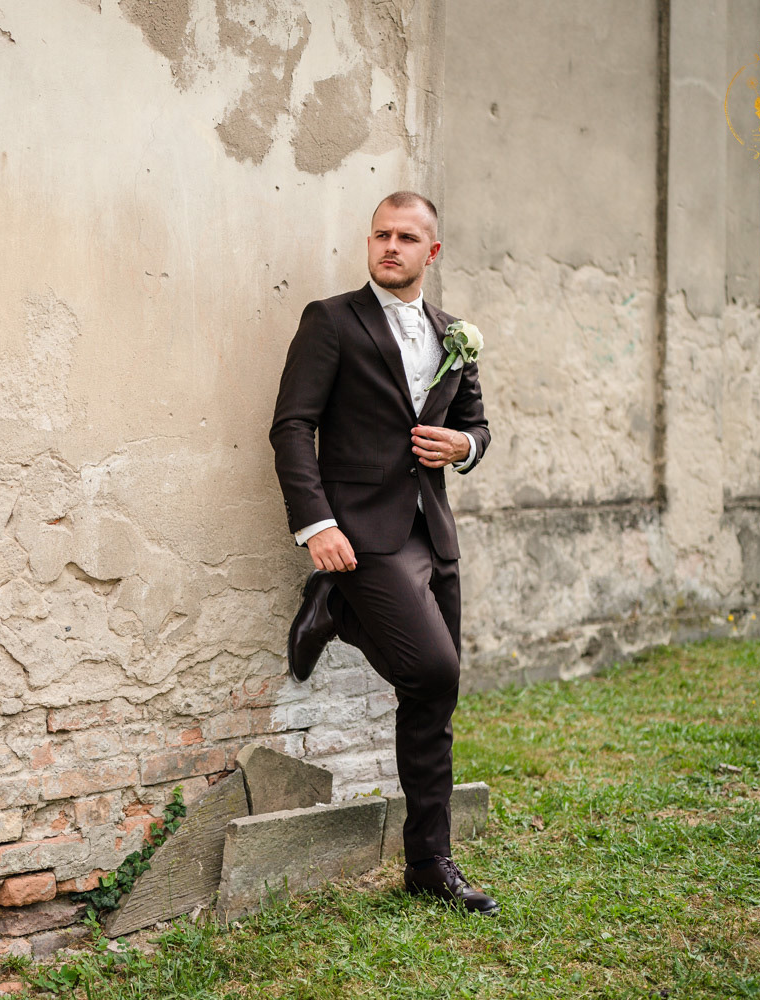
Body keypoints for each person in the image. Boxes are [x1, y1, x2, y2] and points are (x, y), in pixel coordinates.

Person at [269, 191, 498, 915]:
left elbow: (478, 427)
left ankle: (429, 863)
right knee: (434, 669)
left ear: (432, 252)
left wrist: (463, 446)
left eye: (406, 237)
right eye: (380, 235)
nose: (390, 247)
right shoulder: (332, 320)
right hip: (362, 531)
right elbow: (292, 426)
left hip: (433, 529)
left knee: (435, 696)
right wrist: (317, 525)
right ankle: (337, 603)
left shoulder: (455, 334)